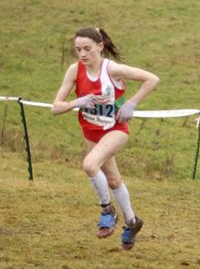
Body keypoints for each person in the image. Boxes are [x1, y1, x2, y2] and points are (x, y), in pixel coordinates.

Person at [51, 28, 159, 250]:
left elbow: (151, 79)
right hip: (90, 131)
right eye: (78, 50)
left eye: (88, 49)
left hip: (115, 129)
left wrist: (132, 103)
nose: (83, 54)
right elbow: (55, 108)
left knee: (89, 165)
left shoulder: (112, 69)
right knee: (113, 180)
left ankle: (108, 210)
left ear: (100, 46)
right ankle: (132, 222)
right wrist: (76, 102)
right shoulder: (74, 70)